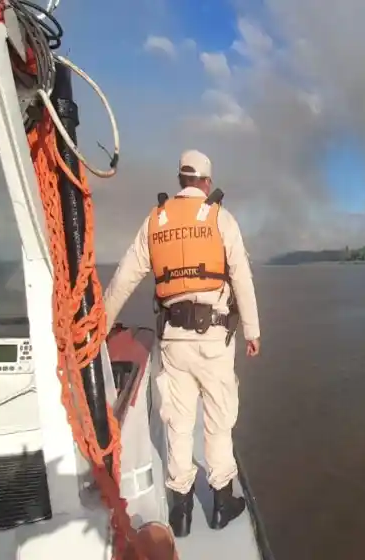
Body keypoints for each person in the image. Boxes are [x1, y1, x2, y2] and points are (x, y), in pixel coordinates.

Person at [103, 149, 261, 538]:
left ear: (180, 181)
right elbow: (241, 276)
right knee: (219, 418)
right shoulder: (221, 218)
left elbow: (125, 276)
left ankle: (182, 512)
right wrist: (253, 331)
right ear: (206, 183)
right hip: (214, 339)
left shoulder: (156, 221)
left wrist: (100, 325)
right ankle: (222, 502)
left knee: (177, 420)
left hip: (173, 339)